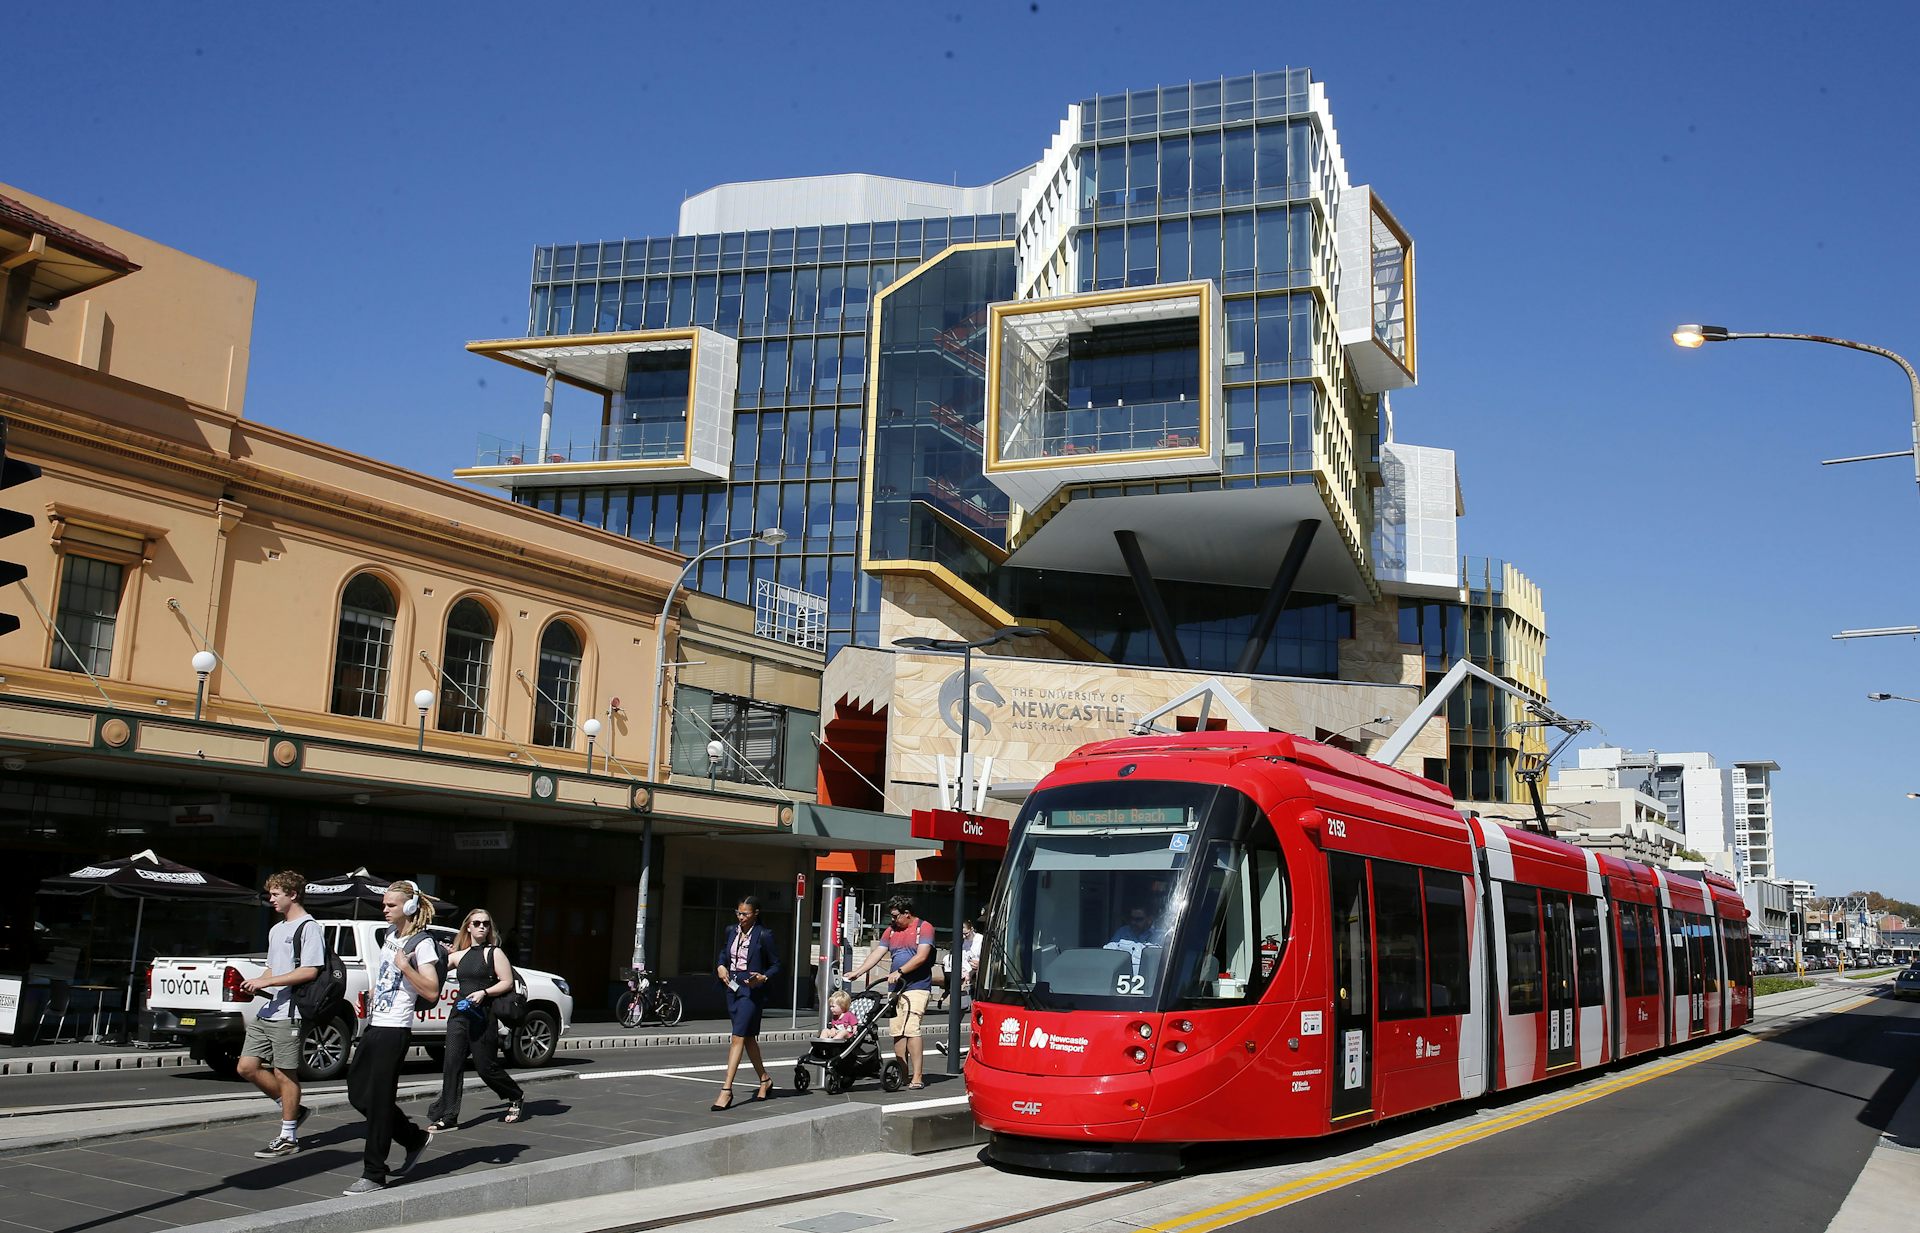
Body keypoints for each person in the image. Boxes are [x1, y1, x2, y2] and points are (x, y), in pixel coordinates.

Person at [342, 881, 442, 1196]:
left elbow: (432, 991)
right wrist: (376, 991)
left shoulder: (421, 944)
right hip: (376, 1023)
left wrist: (405, 967)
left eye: (390, 906)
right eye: (384, 905)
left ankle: (374, 1173)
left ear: (409, 908)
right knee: (359, 1094)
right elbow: (389, 974)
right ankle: (412, 1138)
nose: (384, 910)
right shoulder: (390, 936)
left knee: (380, 1100)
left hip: (395, 1028)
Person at [237, 870, 324, 1160]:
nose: (271, 899)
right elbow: (274, 969)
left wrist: (267, 982)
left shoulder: (309, 927)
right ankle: (293, 1110)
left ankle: (288, 1136)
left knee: (284, 1072)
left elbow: (310, 970)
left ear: (293, 894)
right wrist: (256, 983)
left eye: (276, 894)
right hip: (269, 1010)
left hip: (291, 1012)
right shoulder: (277, 929)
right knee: (246, 1067)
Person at [425, 908, 524, 1133]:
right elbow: (433, 968)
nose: (481, 927)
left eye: (486, 924)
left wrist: (484, 993)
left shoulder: (494, 953)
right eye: (477, 923)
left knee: (485, 1067)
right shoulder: (459, 955)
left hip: (483, 1016)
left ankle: (515, 1095)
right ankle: (449, 1116)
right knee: (451, 1063)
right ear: (467, 927)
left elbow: (507, 982)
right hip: (459, 1014)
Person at [847, 895, 934, 1090]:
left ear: (907, 914)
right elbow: (878, 953)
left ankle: (917, 1076)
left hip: (917, 986)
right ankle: (902, 1074)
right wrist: (858, 972)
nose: (892, 920)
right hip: (895, 989)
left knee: (911, 1028)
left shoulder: (924, 928)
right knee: (897, 1031)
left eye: (895, 916)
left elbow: (921, 957)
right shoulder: (891, 931)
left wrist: (900, 971)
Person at [711, 895, 780, 1111]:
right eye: (738, 913)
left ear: (755, 914)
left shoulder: (765, 935)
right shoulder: (731, 930)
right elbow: (724, 953)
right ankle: (764, 1079)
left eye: (745, 914)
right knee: (748, 1038)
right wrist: (721, 966)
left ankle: (726, 1090)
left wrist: (763, 977)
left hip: (751, 990)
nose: (741, 917)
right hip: (731, 986)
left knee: (737, 1037)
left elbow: (776, 964)